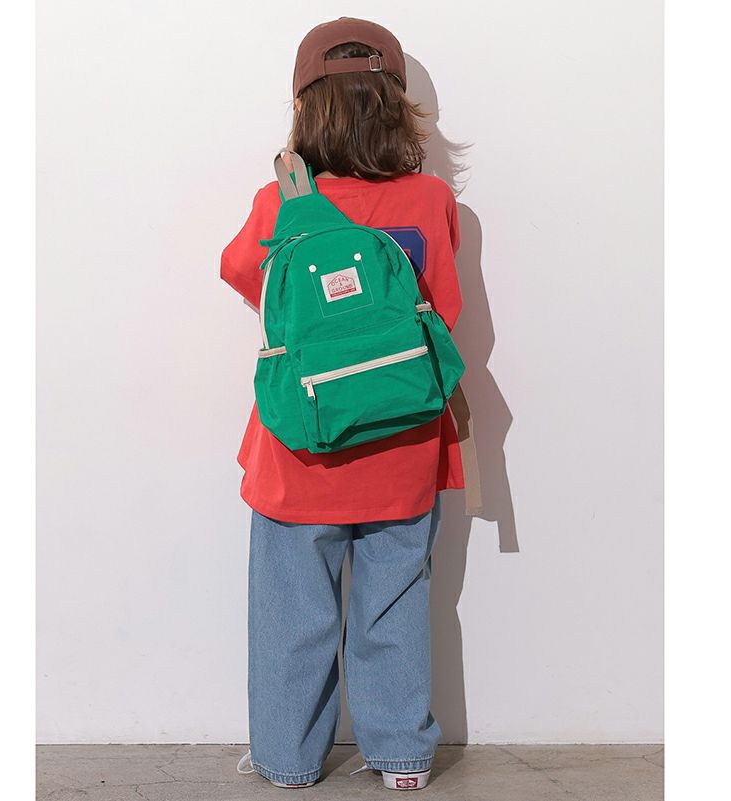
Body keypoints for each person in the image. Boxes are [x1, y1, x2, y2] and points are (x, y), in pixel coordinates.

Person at [220, 16, 466, 791]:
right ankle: (403, 759)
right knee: (394, 604)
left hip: (301, 444)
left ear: (305, 108)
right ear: (397, 107)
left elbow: (243, 277)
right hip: (402, 443)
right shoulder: (430, 200)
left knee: (292, 614)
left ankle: (290, 761)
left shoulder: (277, 202)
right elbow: (444, 311)